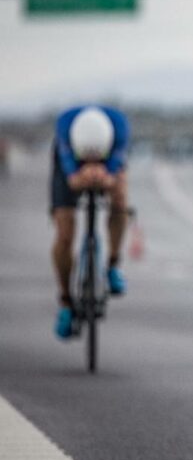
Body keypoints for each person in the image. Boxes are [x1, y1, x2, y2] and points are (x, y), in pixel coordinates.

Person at [50, 105, 130, 339]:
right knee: (65, 233)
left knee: (120, 199)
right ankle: (66, 301)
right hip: (69, 164)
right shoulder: (65, 128)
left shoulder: (119, 129)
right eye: (88, 156)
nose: (91, 160)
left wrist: (108, 177)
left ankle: (113, 263)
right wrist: (77, 175)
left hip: (109, 161)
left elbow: (115, 170)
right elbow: (71, 175)